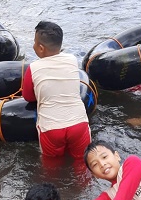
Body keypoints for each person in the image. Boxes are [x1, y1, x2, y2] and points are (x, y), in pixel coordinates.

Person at [22, 21, 91, 161]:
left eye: (34, 42)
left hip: (51, 128)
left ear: (41, 48)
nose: (33, 45)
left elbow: (28, 96)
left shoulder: (33, 68)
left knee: (51, 167)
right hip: (79, 124)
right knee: (83, 164)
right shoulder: (72, 60)